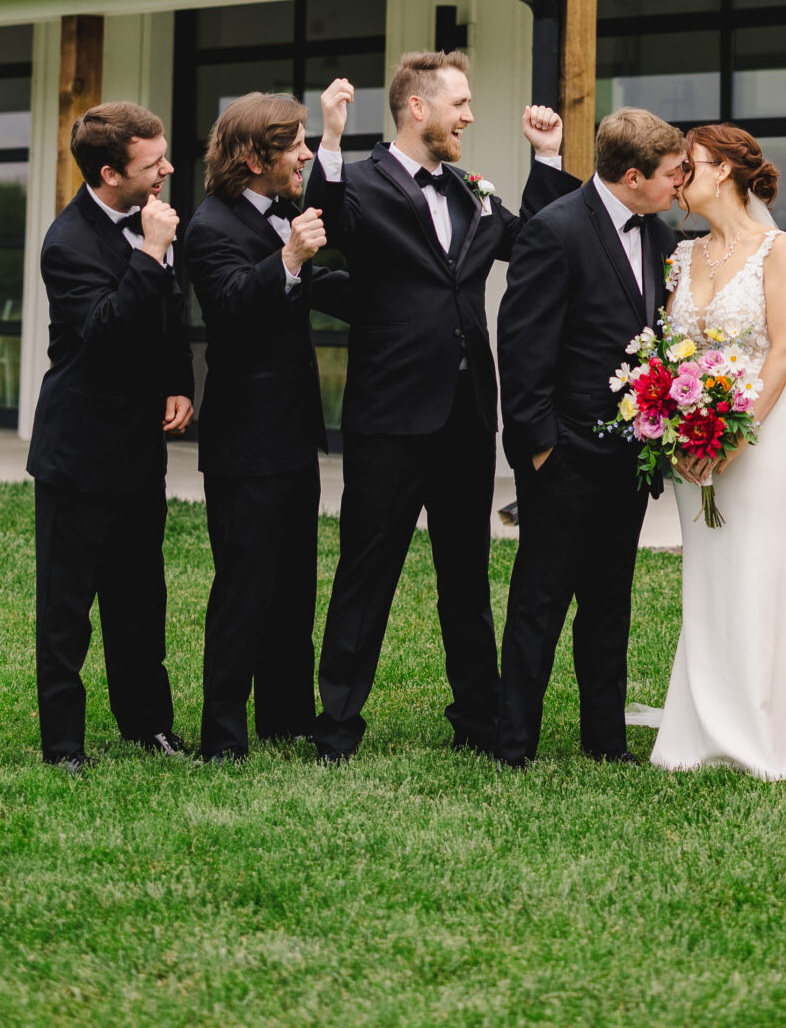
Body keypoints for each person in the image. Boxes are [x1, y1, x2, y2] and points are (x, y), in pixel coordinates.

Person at [302, 50, 537, 762]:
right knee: (365, 572)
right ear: (417, 108)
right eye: (459, 103)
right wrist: (333, 140)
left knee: (464, 574)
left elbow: (532, 242)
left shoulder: (470, 189)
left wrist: (547, 156)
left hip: (467, 414)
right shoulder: (361, 182)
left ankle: (478, 718)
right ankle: (338, 724)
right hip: (391, 416)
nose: (468, 115)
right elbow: (328, 222)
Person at [495, 107, 684, 767]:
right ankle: (512, 741)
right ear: (632, 176)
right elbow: (521, 347)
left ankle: (603, 740)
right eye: (670, 174)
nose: (679, 185)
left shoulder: (660, 236)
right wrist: (542, 445)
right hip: (565, 453)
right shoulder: (554, 230)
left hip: (630, 454)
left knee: (610, 602)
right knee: (540, 600)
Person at [184, 84, 355, 762]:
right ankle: (222, 735)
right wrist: (287, 260)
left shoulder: (284, 207)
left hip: (291, 435)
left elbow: (333, 226)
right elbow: (228, 303)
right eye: (296, 146)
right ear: (254, 156)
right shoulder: (209, 225)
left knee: (292, 587)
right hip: (242, 444)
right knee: (243, 590)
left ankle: (286, 715)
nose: (304, 156)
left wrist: (337, 136)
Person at [26, 101, 195, 768]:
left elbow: (168, 314)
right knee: (66, 611)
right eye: (153, 164)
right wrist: (150, 251)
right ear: (108, 173)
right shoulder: (66, 244)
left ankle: (147, 725)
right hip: (76, 452)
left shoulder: (152, 221)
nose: (168, 171)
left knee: (138, 599)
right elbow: (106, 334)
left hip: (136, 450)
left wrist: (179, 379)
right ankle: (63, 746)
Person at [651, 124, 786, 779]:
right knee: (708, 573)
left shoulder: (777, 249)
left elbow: (785, 347)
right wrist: (677, 427)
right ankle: (699, 724)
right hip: (694, 438)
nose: (676, 179)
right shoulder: (683, 255)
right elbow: (667, 350)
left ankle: (766, 730)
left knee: (757, 567)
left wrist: (736, 432)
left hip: (759, 434)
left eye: (685, 167)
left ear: (720, 170)